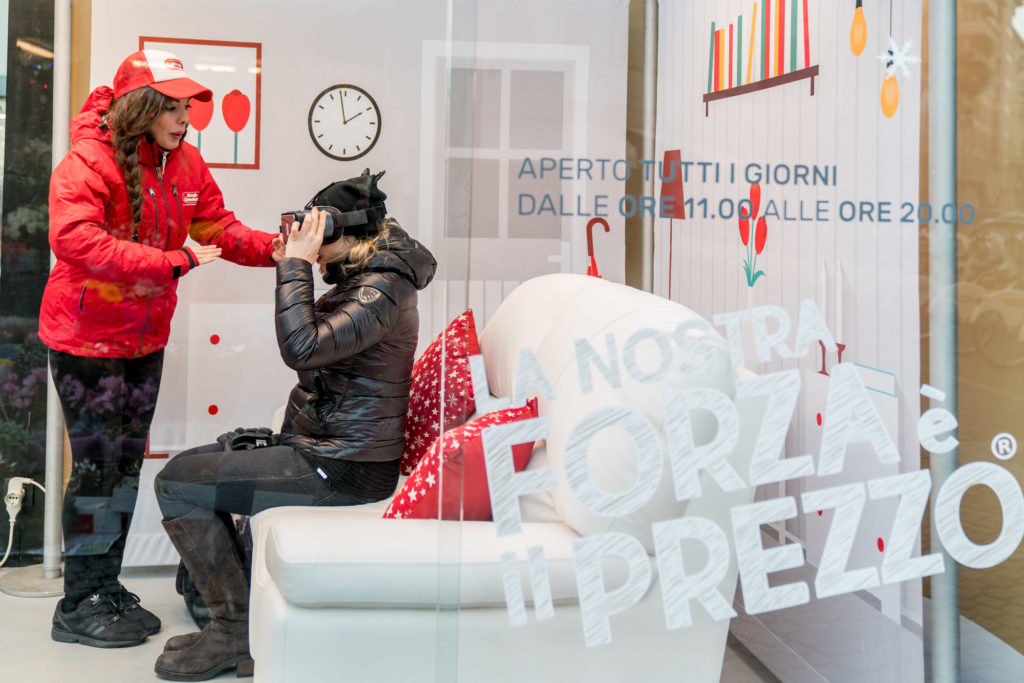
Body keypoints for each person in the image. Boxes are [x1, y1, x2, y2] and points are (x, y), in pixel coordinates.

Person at [39, 49, 286, 649]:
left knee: (124, 466)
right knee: (97, 469)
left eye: (188, 107)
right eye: (172, 107)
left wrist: (280, 248)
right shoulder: (87, 161)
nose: (185, 118)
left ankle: (103, 587)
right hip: (85, 341)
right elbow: (76, 240)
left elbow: (219, 229)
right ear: (141, 107)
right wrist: (171, 261)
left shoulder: (186, 164)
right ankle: (78, 603)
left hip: (144, 340)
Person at [152, 170, 436, 681]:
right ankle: (231, 618)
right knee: (189, 469)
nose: (309, 244)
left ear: (347, 233)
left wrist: (295, 266)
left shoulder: (382, 290)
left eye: (316, 233)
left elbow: (302, 347)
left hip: (345, 468)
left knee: (177, 483)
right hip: (328, 451)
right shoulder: (368, 277)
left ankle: (233, 633)